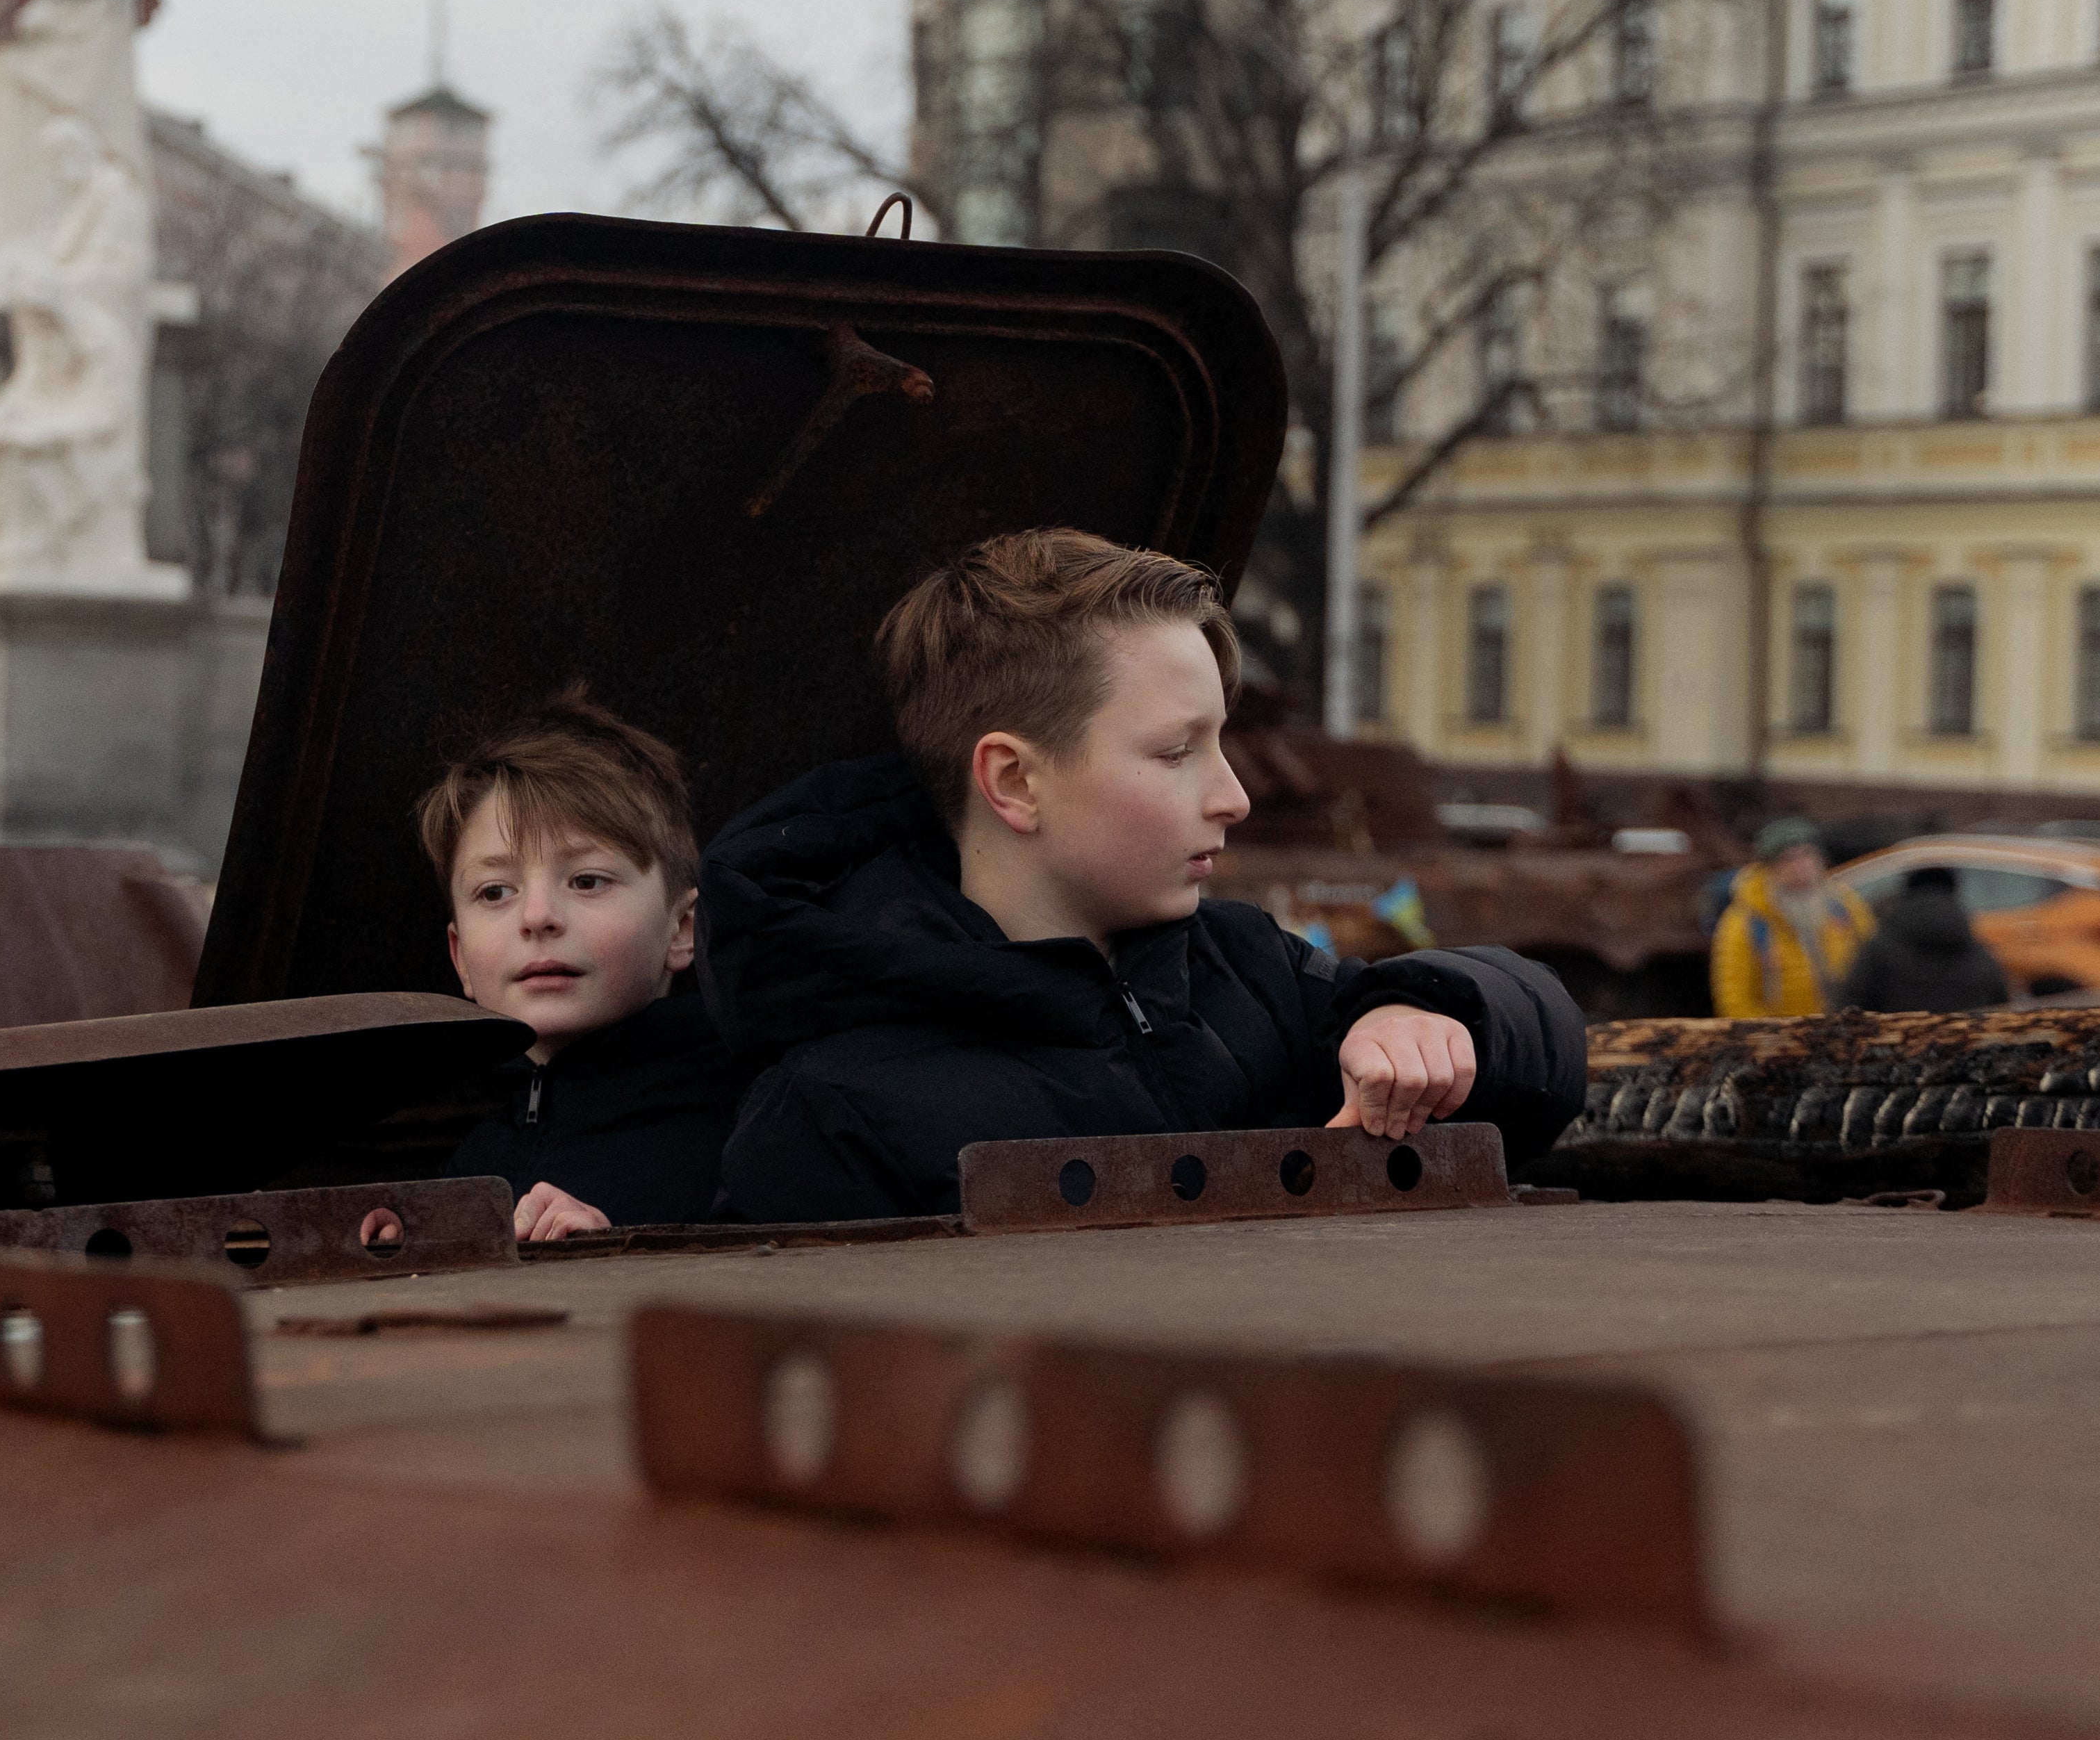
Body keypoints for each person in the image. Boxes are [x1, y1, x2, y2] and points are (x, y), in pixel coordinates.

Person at [703, 529, 1589, 1224]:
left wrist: (1425, 1013)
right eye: (1175, 752)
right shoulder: (830, 1109)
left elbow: (1540, 1064)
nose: (1234, 796)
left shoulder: (1255, 979)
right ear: (1014, 781)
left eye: (1222, 742)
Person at [404, 694, 738, 1242]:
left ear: (683, 930)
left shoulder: (743, 1134)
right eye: (495, 892)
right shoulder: (473, 1163)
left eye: (587, 881)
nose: (537, 917)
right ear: (461, 958)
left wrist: (625, 1247)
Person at [1712, 817, 1872, 1019]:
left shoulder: (1845, 906)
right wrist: (1770, 1038)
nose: (1800, 866)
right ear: (1769, 868)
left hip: (1844, 1030)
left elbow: (1872, 964)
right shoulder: (1745, 921)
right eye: (1788, 859)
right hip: (1782, 1039)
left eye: (1806, 855)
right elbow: (1734, 998)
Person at [1838, 865, 2009, 1015]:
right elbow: (2000, 1004)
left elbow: (1850, 1005)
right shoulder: (1974, 948)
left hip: (1896, 1048)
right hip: (1966, 1048)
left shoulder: (1881, 947)